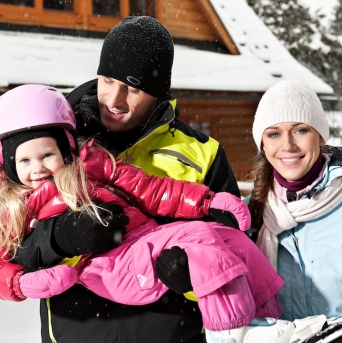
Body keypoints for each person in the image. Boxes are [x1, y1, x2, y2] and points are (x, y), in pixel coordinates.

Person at [0, 84, 292, 343]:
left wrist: (207, 202)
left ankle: (268, 321)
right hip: (107, 268)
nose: (37, 167)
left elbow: (149, 189)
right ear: (9, 165)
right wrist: (25, 279)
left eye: (46, 155)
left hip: (142, 241)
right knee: (202, 239)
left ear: (65, 149)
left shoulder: (91, 166)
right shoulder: (15, 206)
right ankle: (232, 332)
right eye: (24, 160)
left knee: (232, 241)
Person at [13, 16, 241, 343]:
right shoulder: (50, 144)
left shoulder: (202, 153)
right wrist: (56, 238)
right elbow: (6, 241)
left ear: (158, 92)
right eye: (107, 80)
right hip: (74, 333)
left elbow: (234, 247)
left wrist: (192, 274)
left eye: (132, 88)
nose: (114, 100)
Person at [248, 79, 342, 322]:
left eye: (300, 130)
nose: (287, 145)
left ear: (319, 136)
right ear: (263, 144)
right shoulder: (248, 214)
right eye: (274, 133)